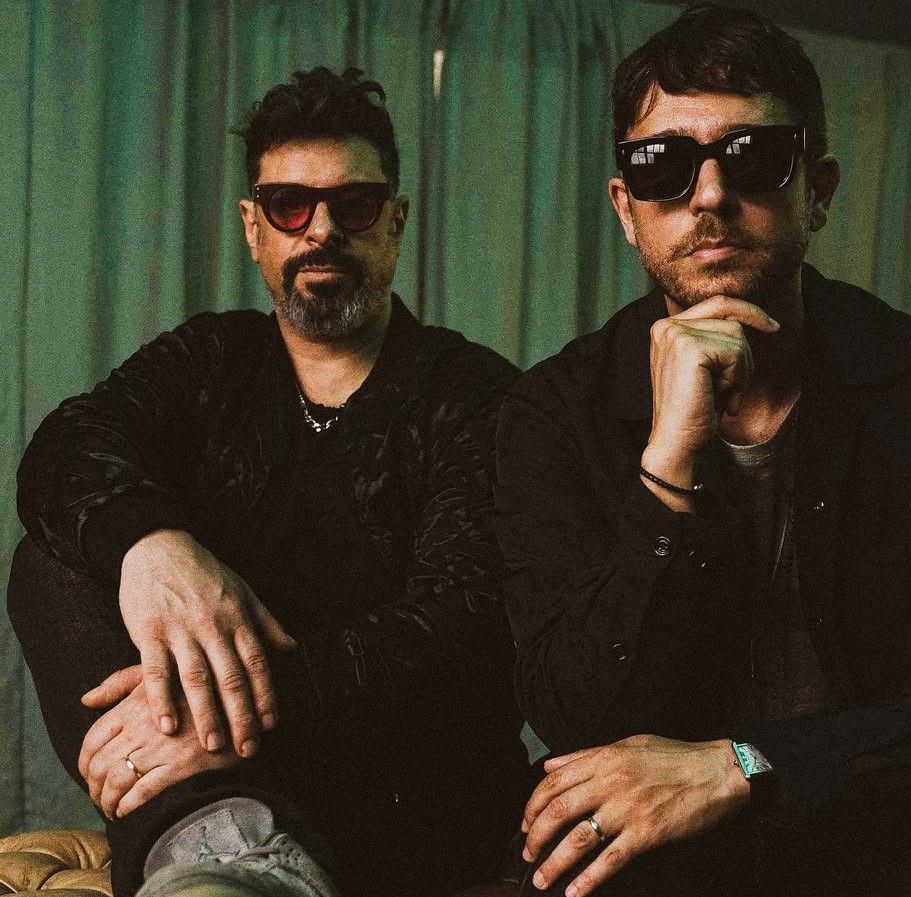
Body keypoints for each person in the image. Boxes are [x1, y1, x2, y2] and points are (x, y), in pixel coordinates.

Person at [495, 6, 911, 896]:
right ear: (625, 209)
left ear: (820, 188)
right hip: (672, 854)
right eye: (663, 166)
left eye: (754, 155)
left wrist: (746, 764)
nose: (708, 196)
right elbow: (579, 713)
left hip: (883, 819)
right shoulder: (551, 410)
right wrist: (667, 464)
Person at [12, 67, 527, 897]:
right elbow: (65, 447)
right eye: (290, 205)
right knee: (52, 559)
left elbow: (459, 627)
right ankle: (224, 840)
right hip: (232, 807)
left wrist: (230, 715)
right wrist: (153, 546)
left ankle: (220, 835)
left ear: (395, 223)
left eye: (354, 206)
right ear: (253, 229)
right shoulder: (212, 358)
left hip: (404, 807)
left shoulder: (478, 395)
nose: (321, 230)